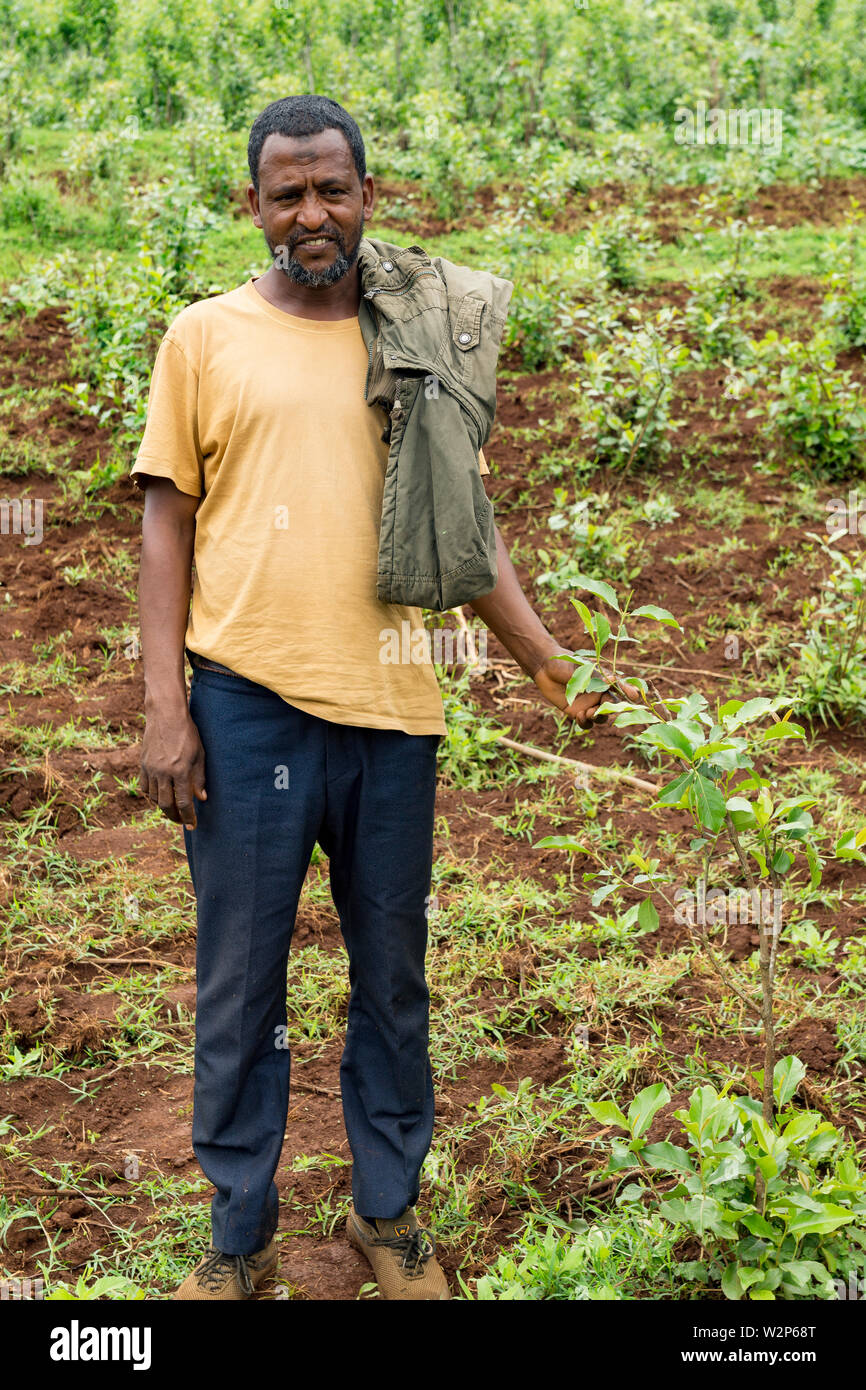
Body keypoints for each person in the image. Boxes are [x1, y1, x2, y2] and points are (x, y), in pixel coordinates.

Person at [133, 94, 608, 1302]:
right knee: (242, 980)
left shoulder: (414, 339)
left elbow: (468, 530)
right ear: (255, 204)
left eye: (330, 189)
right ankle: (236, 1239)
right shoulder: (205, 337)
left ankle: (384, 1216)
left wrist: (544, 656)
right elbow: (165, 519)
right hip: (245, 706)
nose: (310, 213)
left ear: (365, 196)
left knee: (390, 973)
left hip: (396, 709)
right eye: (285, 192)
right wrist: (163, 707)